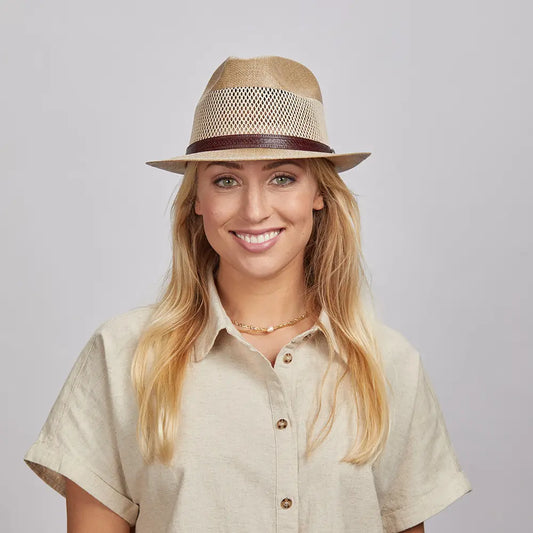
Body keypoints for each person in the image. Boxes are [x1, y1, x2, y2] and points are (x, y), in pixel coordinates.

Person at [24, 56, 471, 532]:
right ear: (197, 200)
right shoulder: (122, 357)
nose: (255, 210)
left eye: (282, 177)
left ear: (318, 192)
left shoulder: (388, 365)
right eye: (226, 180)